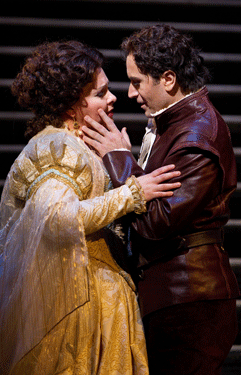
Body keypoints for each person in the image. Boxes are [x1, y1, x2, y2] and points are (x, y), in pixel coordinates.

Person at [0, 40, 182, 375]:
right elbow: (56, 219)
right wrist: (132, 193)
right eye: (100, 93)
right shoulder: (58, 146)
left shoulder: (77, 144)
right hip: (78, 303)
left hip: (95, 294)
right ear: (70, 107)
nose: (112, 99)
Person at [81, 25, 240, 375]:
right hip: (173, 296)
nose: (131, 93)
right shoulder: (173, 123)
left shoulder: (197, 133)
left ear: (167, 79)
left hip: (190, 300)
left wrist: (121, 159)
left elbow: (158, 220)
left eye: (137, 82)